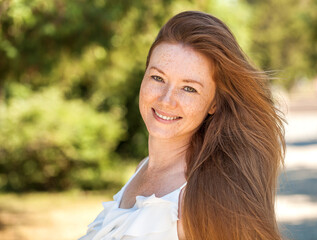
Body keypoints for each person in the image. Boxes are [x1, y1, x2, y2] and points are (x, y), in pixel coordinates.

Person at [79, 10, 285, 240]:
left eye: (189, 88)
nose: (166, 100)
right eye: (158, 78)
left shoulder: (204, 197)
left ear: (214, 103)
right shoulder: (143, 168)